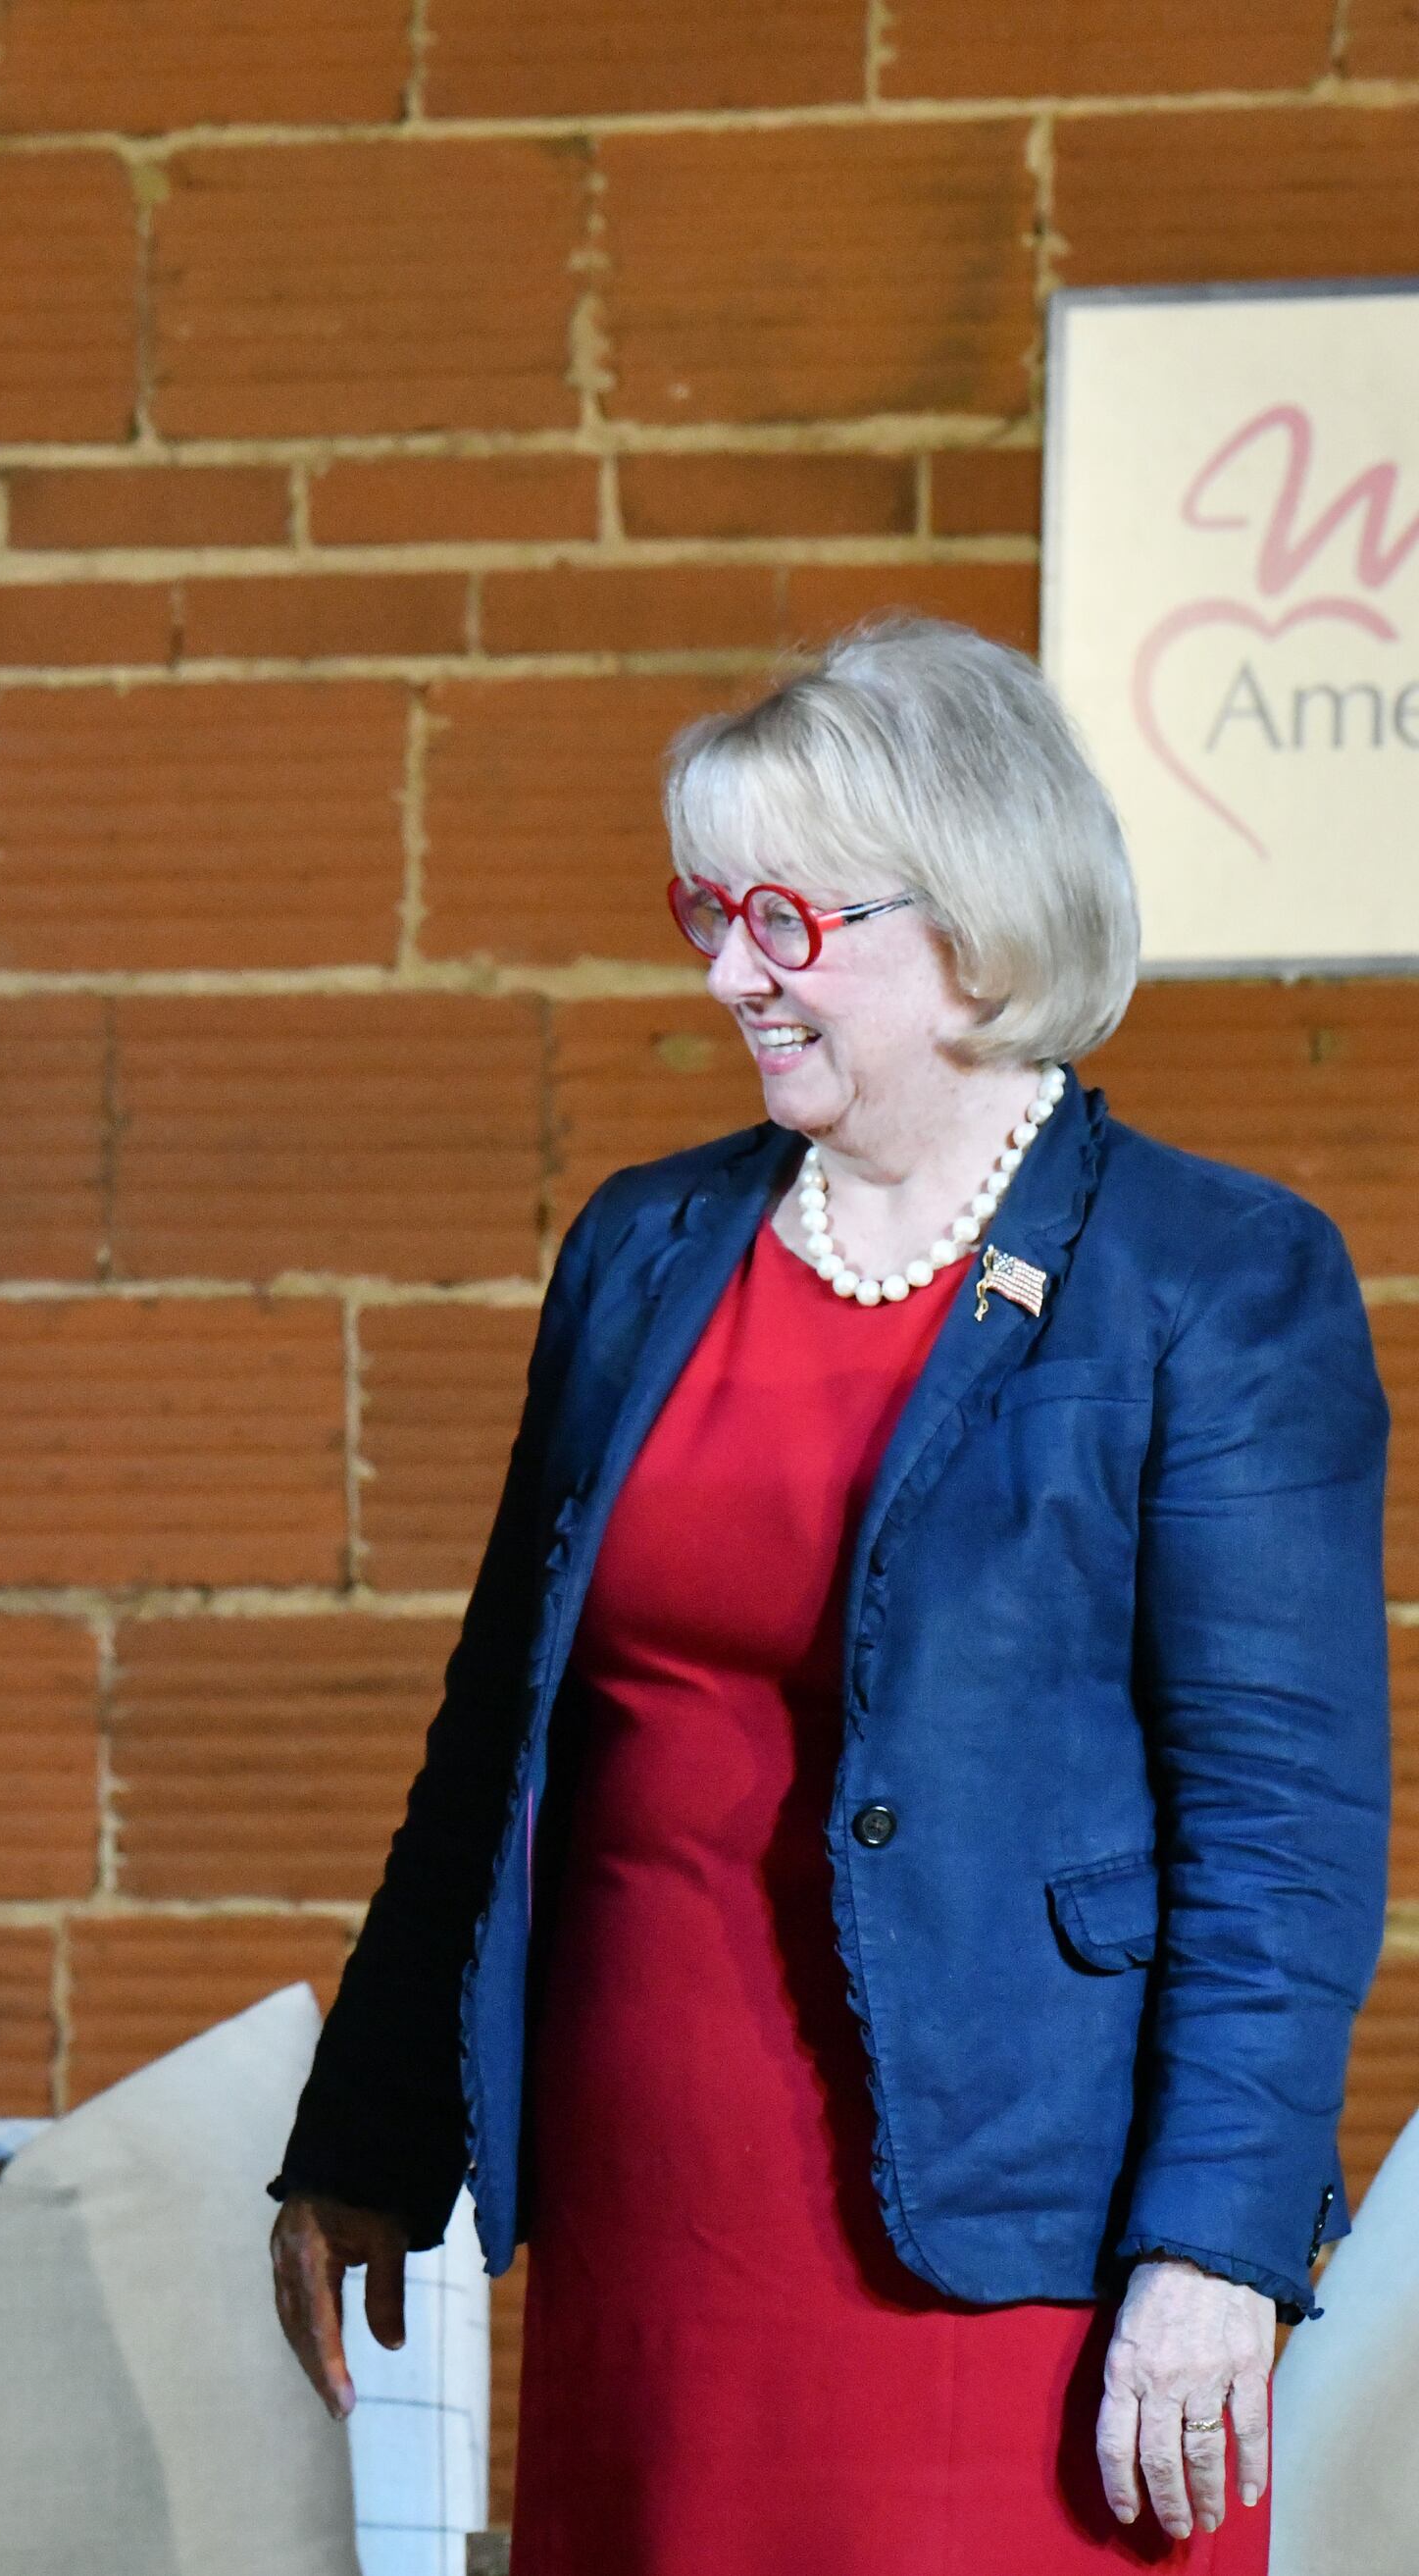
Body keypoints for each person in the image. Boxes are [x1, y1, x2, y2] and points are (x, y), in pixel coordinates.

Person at [264, 617, 1388, 2571]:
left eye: (781, 916)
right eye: (706, 908)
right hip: (652, 2223)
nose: (724, 972)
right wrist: (369, 2133)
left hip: (1015, 2246)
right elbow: (498, 1738)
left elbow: (1283, 1834)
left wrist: (1217, 2243)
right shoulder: (646, 1243)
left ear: (976, 917)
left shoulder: (1213, 1276)